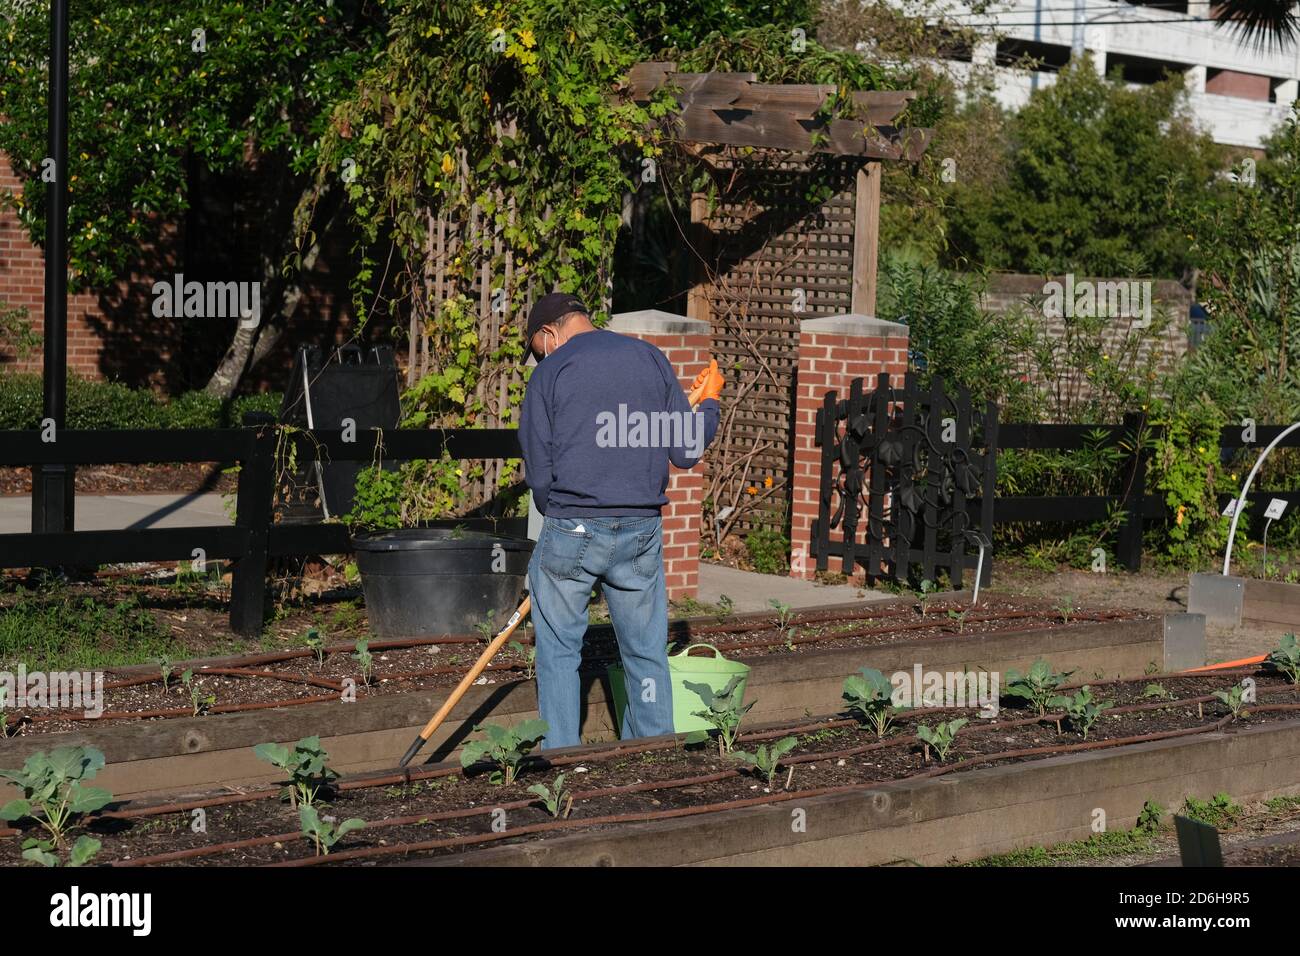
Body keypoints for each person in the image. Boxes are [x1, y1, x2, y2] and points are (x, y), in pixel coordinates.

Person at [518, 293, 723, 749]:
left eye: (535, 349)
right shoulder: (650, 358)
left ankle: (562, 759)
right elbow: (686, 450)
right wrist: (708, 404)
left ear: (549, 333)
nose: (539, 359)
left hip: (571, 525)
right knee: (646, 652)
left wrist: (561, 523)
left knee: (558, 653)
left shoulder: (550, 372)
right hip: (640, 530)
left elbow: (538, 473)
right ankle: (650, 756)